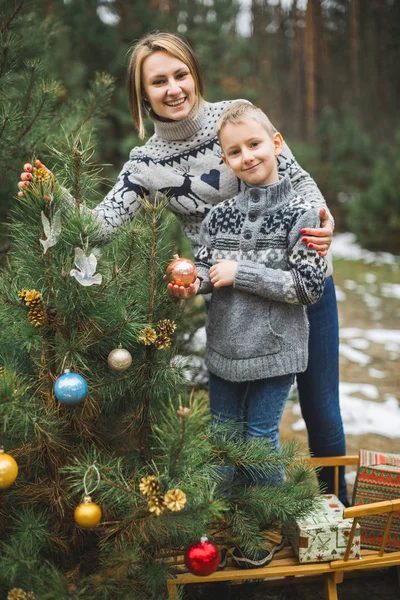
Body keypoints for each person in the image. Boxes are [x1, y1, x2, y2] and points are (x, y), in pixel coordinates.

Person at [17, 31, 347, 504]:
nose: (173, 88)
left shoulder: (238, 118)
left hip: (296, 282)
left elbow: (296, 178)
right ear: (142, 93)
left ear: (194, 75)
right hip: (231, 301)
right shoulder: (146, 165)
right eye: (158, 81)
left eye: (181, 74)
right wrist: (56, 195)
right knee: (234, 428)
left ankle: (337, 515)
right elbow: (99, 226)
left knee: (321, 408)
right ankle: (249, 518)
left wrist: (322, 219)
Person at [171, 100, 327, 567]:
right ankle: (218, 525)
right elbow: (205, 268)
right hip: (225, 347)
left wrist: (243, 273)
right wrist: (191, 280)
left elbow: (308, 287)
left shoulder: (302, 214)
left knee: (259, 440)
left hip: (275, 349)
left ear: (276, 143)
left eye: (255, 144)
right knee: (222, 439)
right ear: (226, 160)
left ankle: (264, 527)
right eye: (235, 151)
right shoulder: (219, 217)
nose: (248, 156)